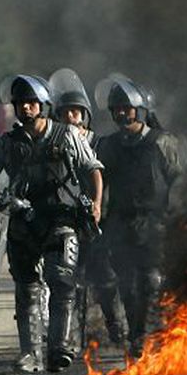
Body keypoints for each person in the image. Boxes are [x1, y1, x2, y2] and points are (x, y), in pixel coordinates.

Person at [0, 74, 103, 373]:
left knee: (61, 281)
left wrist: (95, 204)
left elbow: (93, 169)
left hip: (60, 218)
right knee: (28, 288)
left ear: (43, 105)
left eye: (31, 103)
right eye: (20, 104)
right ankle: (31, 353)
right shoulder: (9, 143)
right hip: (24, 220)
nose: (26, 109)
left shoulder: (67, 135)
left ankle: (59, 348)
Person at [93, 74, 182, 355]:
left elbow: (178, 180)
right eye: (116, 108)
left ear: (139, 109)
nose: (121, 112)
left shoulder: (162, 142)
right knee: (127, 286)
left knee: (151, 282)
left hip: (155, 223)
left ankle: (150, 337)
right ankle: (136, 334)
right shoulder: (108, 145)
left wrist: (176, 219)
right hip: (120, 224)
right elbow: (99, 183)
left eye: (126, 108)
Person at [49, 68, 125, 349]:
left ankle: (116, 329)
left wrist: (102, 209)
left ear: (85, 116)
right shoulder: (53, 145)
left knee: (104, 278)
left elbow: (112, 180)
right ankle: (68, 336)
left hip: (97, 222)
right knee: (67, 281)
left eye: (76, 112)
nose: (72, 118)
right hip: (65, 221)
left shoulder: (101, 145)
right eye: (66, 113)